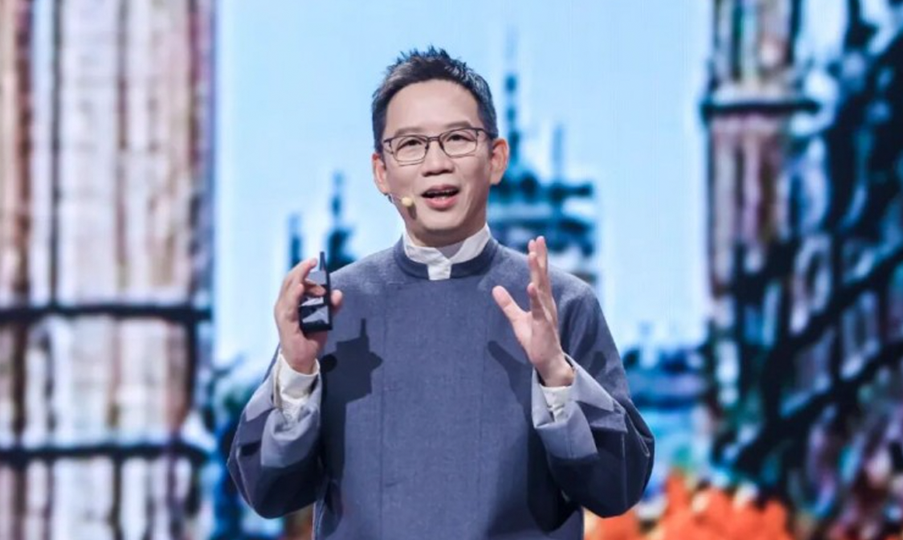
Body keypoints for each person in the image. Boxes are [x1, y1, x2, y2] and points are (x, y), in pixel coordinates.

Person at [228, 47, 654, 539]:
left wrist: (557, 375)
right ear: (381, 172)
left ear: (496, 159)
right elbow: (266, 491)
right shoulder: (337, 308)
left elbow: (618, 488)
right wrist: (297, 371)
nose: (436, 163)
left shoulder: (562, 303)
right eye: (410, 144)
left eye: (457, 139)